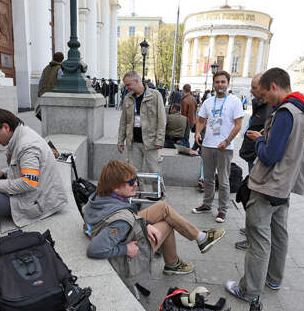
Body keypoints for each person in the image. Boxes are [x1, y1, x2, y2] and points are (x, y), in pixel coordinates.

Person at [225, 68, 304, 301]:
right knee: (279, 234)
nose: (264, 100)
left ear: (274, 86)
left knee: (258, 240)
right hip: (287, 184)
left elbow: (269, 155)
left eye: (264, 95)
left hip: (268, 185)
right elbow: (301, 149)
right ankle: (274, 280)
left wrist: (260, 140)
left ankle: (249, 290)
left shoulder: (286, 112)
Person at [84, 160, 226, 274]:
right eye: (130, 182)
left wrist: (145, 224)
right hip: (128, 258)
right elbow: (94, 249)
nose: (136, 184)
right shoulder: (121, 222)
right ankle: (173, 263)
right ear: (115, 187)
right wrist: (125, 249)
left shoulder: (101, 195)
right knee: (167, 224)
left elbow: (120, 216)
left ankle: (201, 238)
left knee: (162, 208)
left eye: (135, 179)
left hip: (125, 229)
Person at [0, 109, 68, 252]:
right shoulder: (21, 135)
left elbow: (29, 182)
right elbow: (24, 167)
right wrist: (2, 173)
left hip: (35, 201)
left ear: (6, 127)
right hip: (34, 195)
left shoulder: (27, 145)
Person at [192, 70, 244, 223]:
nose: (220, 85)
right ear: (213, 84)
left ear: (228, 83)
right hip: (208, 145)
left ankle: (222, 210)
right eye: (217, 82)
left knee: (223, 180)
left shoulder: (235, 101)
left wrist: (227, 141)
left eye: (223, 82)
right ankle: (207, 204)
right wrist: (197, 133)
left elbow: (238, 125)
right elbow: (200, 120)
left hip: (224, 147)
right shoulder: (208, 102)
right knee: (207, 178)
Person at [235, 73, 274, 250]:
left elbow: (270, 144)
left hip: (260, 160)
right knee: (252, 196)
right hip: (254, 156)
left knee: (255, 199)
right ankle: (253, 232)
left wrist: (258, 140)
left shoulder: (272, 110)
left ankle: (254, 237)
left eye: (254, 87)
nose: (251, 91)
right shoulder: (260, 105)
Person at [117, 70, 166, 177]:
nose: (127, 88)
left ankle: (158, 193)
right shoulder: (128, 98)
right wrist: (120, 141)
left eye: (128, 85)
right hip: (133, 142)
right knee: (133, 172)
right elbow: (123, 121)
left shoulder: (155, 95)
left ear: (136, 81)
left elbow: (162, 120)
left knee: (155, 171)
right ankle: (138, 193)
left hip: (151, 142)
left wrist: (159, 140)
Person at [36, 52, 64, 120]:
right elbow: (60, 82)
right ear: (62, 60)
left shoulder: (46, 68)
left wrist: (39, 92)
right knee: (54, 116)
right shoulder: (59, 69)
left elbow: (41, 81)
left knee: (45, 116)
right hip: (53, 95)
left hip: (44, 94)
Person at [180, 84, 199, 155]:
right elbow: (195, 110)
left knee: (185, 137)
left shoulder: (184, 100)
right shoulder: (193, 98)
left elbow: (183, 113)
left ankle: (186, 151)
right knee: (186, 136)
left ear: (183, 89)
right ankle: (187, 149)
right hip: (193, 120)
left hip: (186, 121)